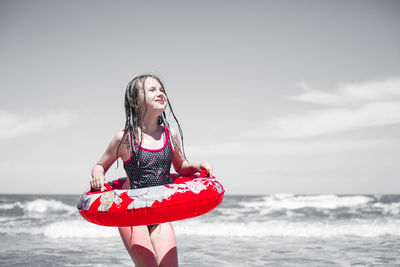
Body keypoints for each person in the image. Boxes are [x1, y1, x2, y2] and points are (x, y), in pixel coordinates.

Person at [90, 74, 212, 267]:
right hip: (131, 212)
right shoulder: (125, 139)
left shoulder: (169, 134)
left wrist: (196, 167)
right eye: (152, 90)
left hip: (160, 213)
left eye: (162, 89)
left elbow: (181, 167)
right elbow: (100, 165)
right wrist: (98, 177)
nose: (160, 93)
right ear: (135, 102)